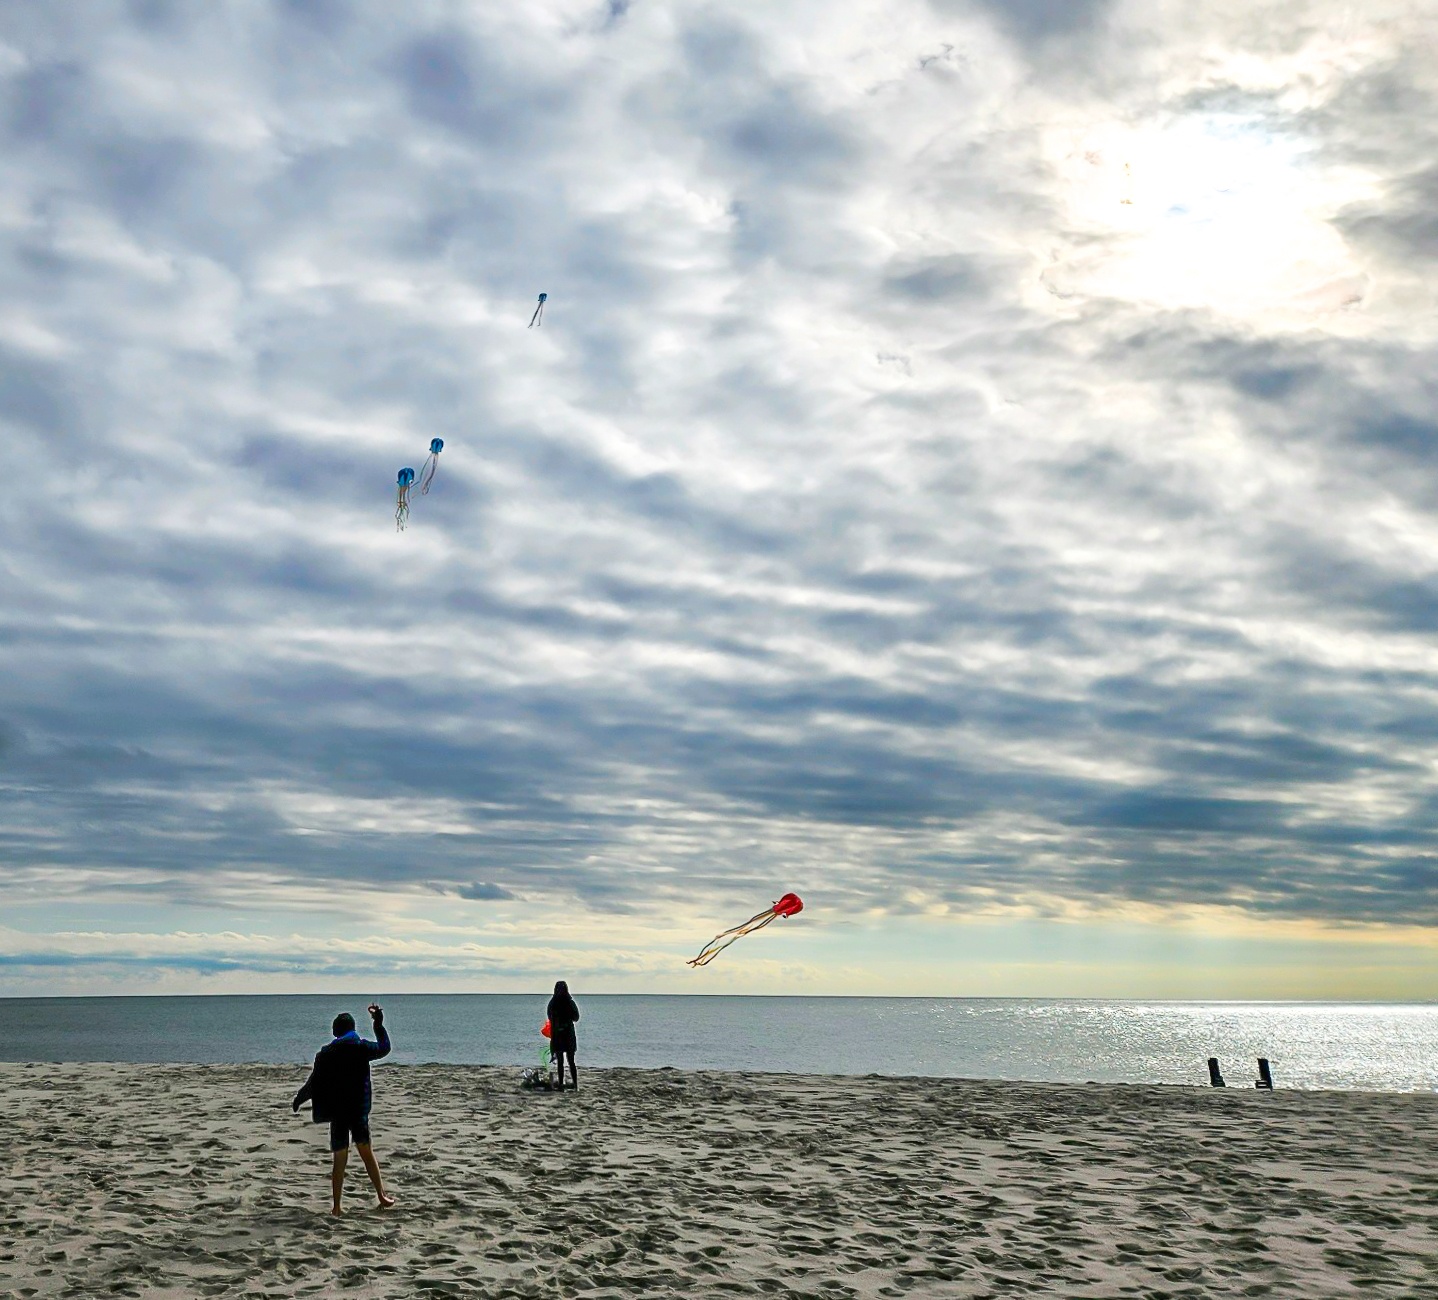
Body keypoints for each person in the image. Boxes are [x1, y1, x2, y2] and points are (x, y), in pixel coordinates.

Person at [292, 1003, 395, 1216]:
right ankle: (382, 1196)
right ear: (353, 1029)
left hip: (338, 1113)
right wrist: (378, 1024)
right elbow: (384, 1047)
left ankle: (337, 1207)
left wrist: (299, 1099)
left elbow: (314, 1083)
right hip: (358, 1112)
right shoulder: (362, 1048)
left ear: (335, 1032)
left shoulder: (326, 1054)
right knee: (367, 1153)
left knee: (340, 1159)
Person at [547, 980, 580, 1090]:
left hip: (563, 1034)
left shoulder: (559, 1002)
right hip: (562, 1034)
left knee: (568, 1060)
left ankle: (570, 1084)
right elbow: (576, 1017)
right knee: (565, 1061)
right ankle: (567, 1084)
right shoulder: (566, 1002)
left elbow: (575, 1017)